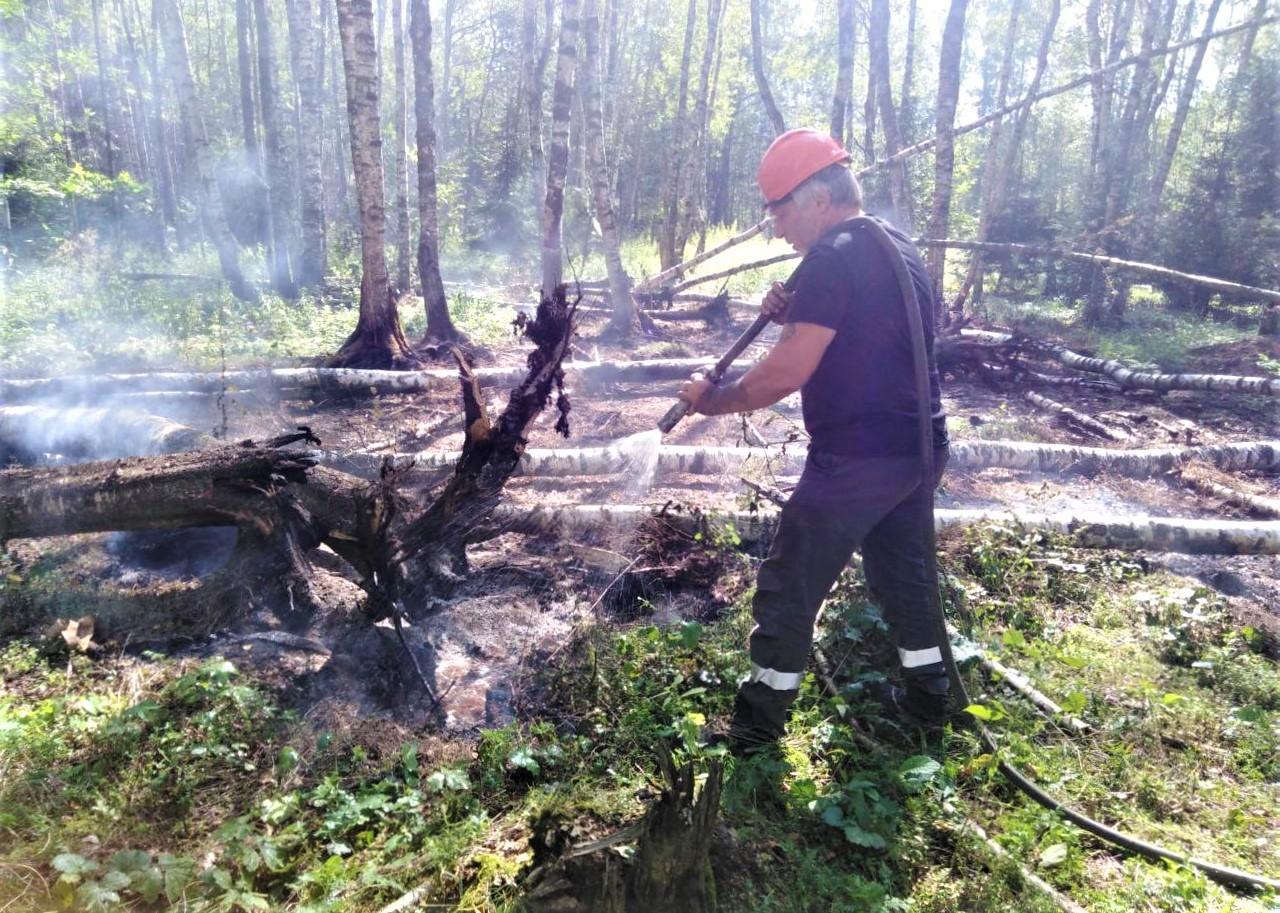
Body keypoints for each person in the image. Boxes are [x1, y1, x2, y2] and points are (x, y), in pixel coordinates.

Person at [677, 128, 951, 752]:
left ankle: (754, 731)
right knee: (906, 578)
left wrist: (713, 401)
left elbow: (787, 371)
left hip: (859, 458)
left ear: (816, 198)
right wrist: (794, 310)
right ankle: (930, 705)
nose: (777, 229)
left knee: (789, 582)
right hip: (918, 450)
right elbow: (864, 335)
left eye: (779, 210)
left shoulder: (834, 257)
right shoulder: (895, 247)